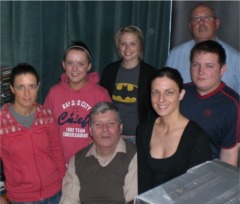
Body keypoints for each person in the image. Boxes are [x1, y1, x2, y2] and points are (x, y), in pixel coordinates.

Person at [136, 67, 211, 194]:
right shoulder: (144, 129)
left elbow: (198, 189)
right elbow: (142, 179)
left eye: (169, 92)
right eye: (155, 92)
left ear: (181, 94)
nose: (161, 99)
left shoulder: (196, 137)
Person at [0, 63, 66, 203]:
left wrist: (64, 183)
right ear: (12, 89)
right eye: (20, 87)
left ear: (38, 86)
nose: (26, 93)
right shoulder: (2, 121)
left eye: (31, 86)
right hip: (22, 198)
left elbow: (57, 152)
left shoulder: (47, 115)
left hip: (54, 194)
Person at [44, 41, 111, 165]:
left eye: (81, 64)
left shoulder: (101, 94)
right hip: (59, 163)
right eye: (70, 63)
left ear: (89, 66)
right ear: (63, 64)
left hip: (90, 163)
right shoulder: (54, 93)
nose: (74, 69)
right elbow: (45, 129)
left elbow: (110, 129)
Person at [60, 102, 137, 203]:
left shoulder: (134, 156)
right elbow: (69, 201)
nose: (105, 129)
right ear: (90, 131)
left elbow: (133, 201)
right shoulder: (77, 160)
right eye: (98, 124)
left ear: (121, 128)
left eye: (111, 123)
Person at [180, 40, 239, 166]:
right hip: (172, 172)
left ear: (222, 70)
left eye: (209, 66)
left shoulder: (231, 105)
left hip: (207, 176)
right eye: (196, 65)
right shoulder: (178, 93)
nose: (201, 71)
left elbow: (229, 156)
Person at [165, 3, 240, 93]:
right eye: (196, 19)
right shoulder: (175, 55)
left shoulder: (236, 59)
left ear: (217, 23)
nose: (201, 23)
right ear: (190, 26)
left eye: (207, 18)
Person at [100, 25, 157, 143]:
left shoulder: (151, 74)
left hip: (139, 137)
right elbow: (102, 104)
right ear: (118, 46)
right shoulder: (109, 71)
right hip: (112, 135)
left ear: (140, 46)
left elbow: (155, 109)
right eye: (123, 44)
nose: (127, 48)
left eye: (132, 43)